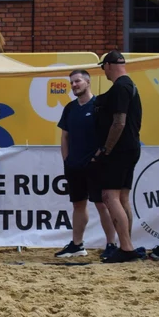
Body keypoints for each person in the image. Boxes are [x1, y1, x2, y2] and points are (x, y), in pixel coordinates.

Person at [55, 69, 118, 259]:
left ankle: (111, 244)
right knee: (78, 205)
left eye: (78, 81)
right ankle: (77, 244)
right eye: (72, 82)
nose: (74, 85)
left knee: (102, 204)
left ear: (88, 82)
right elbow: (64, 136)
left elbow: (110, 134)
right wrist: (66, 159)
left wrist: (100, 157)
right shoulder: (70, 108)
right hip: (74, 165)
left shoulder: (99, 105)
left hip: (95, 165)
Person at [92, 50, 144, 264]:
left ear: (109, 65)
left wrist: (106, 149)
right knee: (122, 198)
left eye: (103, 67)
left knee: (109, 196)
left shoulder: (120, 88)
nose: (103, 71)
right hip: (131, 147)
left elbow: (119, 122)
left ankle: (126, 246)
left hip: (120, 149)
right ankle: (127, 244)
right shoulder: (130, 86)